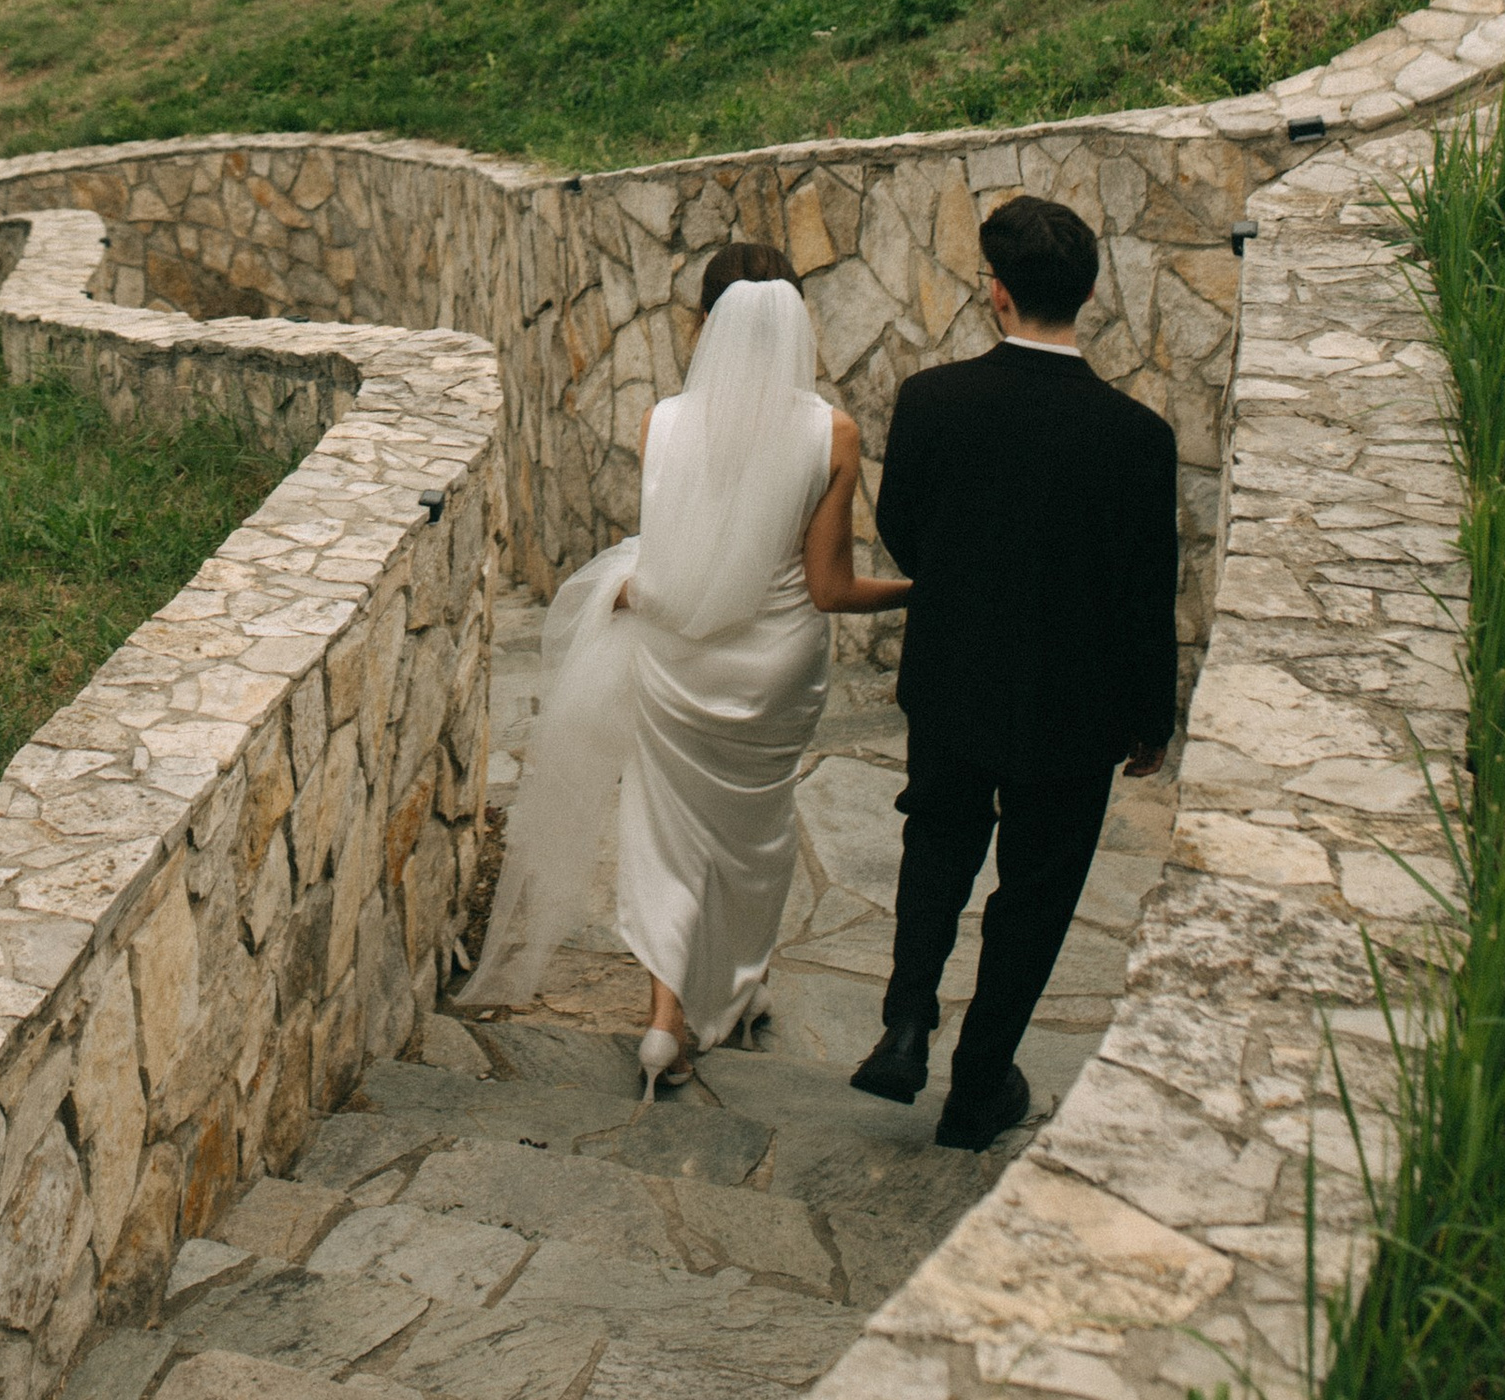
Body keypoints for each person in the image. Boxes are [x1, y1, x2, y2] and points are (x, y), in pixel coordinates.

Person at [462, 237, 909, 1093]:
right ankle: (738, 985)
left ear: (706, 325)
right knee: (754, 836)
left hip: (678, 663)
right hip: (776, 672)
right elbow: (829, 589)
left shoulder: (661, 423)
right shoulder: (833, 435)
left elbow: (677, 563)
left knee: (665, 833)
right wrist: (923, 590)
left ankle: (664, 1021)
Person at [851, 191, 1179, 1154]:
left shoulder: (932, 400)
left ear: (996, 291)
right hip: (1077, 705)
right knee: (1036, 891)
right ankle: (977, 1089)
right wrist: (1151, 716)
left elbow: (902, 529)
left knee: (937, 838)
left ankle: (906, 1022)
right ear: (1088, 295)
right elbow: (1146, 588)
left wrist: (963, 586)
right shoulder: (1138, 436)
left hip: (954, 674)